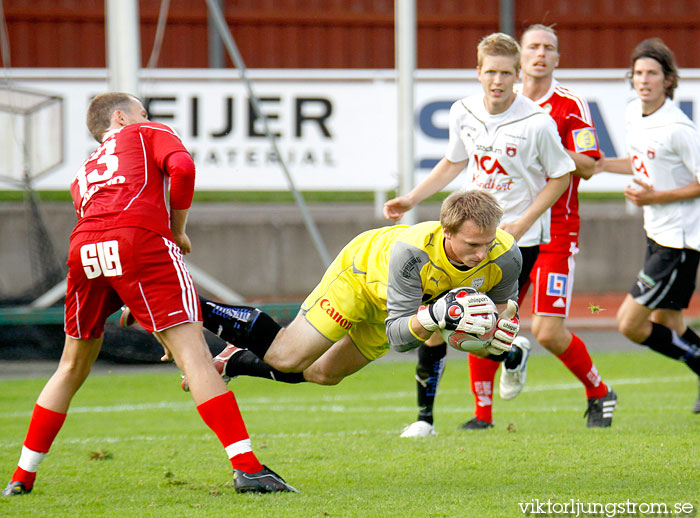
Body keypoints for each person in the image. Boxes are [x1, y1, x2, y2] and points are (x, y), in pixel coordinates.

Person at [1, 93, 295, 497]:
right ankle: (248, 468)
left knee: (70, 366)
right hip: (139, 239)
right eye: (142, 112)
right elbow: (183, 168)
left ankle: (22, 476)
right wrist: (177, 228)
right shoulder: (145, 132)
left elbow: (106, 239)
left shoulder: (84, 171)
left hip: (85, 248)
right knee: (196, 358)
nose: (147, 118)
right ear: (120, 117)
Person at [152, 191, 523, 400]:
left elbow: (502, 308)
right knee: (286, 355)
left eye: (488, 244)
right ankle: (182, 302)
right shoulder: (413, 253)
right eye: (472, 244)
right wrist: (439, 318)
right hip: (361, 277)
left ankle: (235, 361)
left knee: (323, 374)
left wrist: (494, 335)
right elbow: (400, 337)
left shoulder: (506, 255)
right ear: (446, 231)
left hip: (410, 307)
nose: (482, 253)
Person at [382, 32, 574, 435]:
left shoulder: (536, 122)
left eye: (506, 73)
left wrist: (523, 221)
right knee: (436, 322)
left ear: (516, 75)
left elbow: (561, 176)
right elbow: (454, 162)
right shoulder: (463, 111)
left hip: (514, 243)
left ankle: (506, 355)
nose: (498, 81)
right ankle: (425, 420)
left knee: (476, 326)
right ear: (478, 72)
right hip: (467, 235)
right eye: (491, 72)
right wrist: (412, 197)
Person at [507, 24, 616, 427]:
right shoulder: (504, 101)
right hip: (510, 228)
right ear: (520, 56)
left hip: (556, 229)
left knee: (549, 333)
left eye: (547, 48)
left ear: (557, 59)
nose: (539, 54)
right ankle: (481, 416)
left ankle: (600, 392)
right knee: (489, 318)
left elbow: (589, 165)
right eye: (532, 47)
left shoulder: (570, 105)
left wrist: (549, 145)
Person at [598, 38, 700, 413]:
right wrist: (603, 165)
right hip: (656, 234)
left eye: (652, 74)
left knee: (630, 323)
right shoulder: (632, 114)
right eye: (638, 73)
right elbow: (640, 162)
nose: (644, 80)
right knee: (667, 320)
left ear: (668, 80)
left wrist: (656, 198)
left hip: (680, 241)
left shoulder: (678, 128)